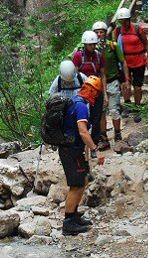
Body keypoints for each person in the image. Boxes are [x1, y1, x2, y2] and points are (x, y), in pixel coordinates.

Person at [58, 75, 104, 235]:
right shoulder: (81, 106)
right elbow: (83, 132)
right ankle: (68, 223)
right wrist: (96, 150)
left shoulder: (76, 101)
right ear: (91, 91)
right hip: (70, 150)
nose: (96, 97)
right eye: (96, 93)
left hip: (73, 149)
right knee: (76, 185)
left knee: (82, 180)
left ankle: (74, 215)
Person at [93, 21, 130, 142]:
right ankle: (103, 137)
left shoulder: (113, 46)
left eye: (101, 32)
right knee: (101, 112)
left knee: (114, 110)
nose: (99, 34)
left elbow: (123, 61)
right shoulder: (91, 49)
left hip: (112, 81)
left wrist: (126, 79)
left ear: (105, 33)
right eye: (96, 32)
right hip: (97, 84)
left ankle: (117, 134)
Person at [112, 8, 148, 123]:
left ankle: (138, 107)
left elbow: (146, 43)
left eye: (124, 21)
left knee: (137, 86)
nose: (123, 23)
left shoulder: (138, 29)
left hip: (139, 61)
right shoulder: (118, 30)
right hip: (124, 63)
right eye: (121, 21)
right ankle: (127, 105)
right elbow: (116, 45)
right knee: (125, 84)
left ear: (129, 19)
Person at [72, 30, 107, 156]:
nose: (92, 46)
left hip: (97, 91)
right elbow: (74, 74)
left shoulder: (98, 56)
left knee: (96, 118)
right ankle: (84, 144)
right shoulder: (78, 56)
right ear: (85, 44)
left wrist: (105, 94)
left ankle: (94, 144)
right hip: (84, 92)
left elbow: (103, 75)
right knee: (84, 118)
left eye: (94, 44)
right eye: (90, 44)